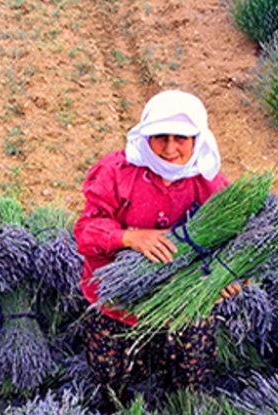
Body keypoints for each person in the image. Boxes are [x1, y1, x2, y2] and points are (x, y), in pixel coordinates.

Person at [74, 89, 237, 395]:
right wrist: (129, 237)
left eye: (182, 138)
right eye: (160, 136)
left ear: (196, 140)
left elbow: (232, 244)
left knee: (189, 372)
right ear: (146, 135)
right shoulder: (116, 172)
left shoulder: (210, 184)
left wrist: (227, 277)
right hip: (118, 298)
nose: (169, 148)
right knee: (110, 378)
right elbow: (86, 230)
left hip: (181, 297)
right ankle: (117, 411)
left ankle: (177, 404)